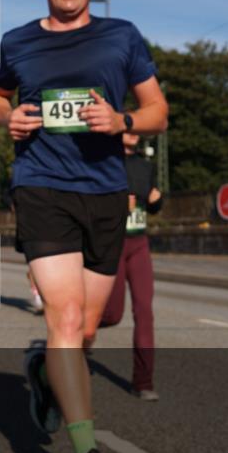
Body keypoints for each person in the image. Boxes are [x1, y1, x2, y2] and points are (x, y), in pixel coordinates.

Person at [0, 0, 168, 453]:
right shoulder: (17, 42)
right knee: (63, 317)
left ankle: (43, 371)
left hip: (106, 194)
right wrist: (7, 116)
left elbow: (158, 111)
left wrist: (122, 119)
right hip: (41, 188)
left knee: (85, 332)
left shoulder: (122, 36)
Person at [97, 132, 163, 401]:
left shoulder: (145, 167)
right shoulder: (103, 161)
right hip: (112, 245)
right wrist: (117, 204)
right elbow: (92, 205)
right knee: (112, 315)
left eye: (136, 129)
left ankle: (143, 382)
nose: (133, 133)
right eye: (128, 127)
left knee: (144, 311)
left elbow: (155, 205)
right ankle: (78, 331)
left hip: (139, 244)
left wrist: (157, 199)